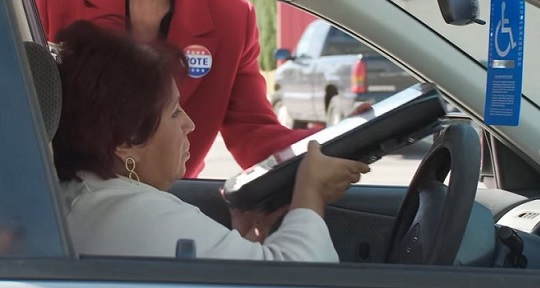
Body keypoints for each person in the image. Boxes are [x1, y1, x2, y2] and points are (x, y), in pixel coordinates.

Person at [53, 20, 370, 260]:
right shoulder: (131, 213)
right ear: (126, 140)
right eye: (175, 112)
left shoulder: (91, 198)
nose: (190, 124)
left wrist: (241, 245)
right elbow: (297, 278)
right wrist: (310, 196)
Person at [37, 0, 325, 178]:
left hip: (168, 200)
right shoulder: (52, 3)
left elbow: (255, 133)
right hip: (67, 196)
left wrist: (342, 140)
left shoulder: (233, 18)